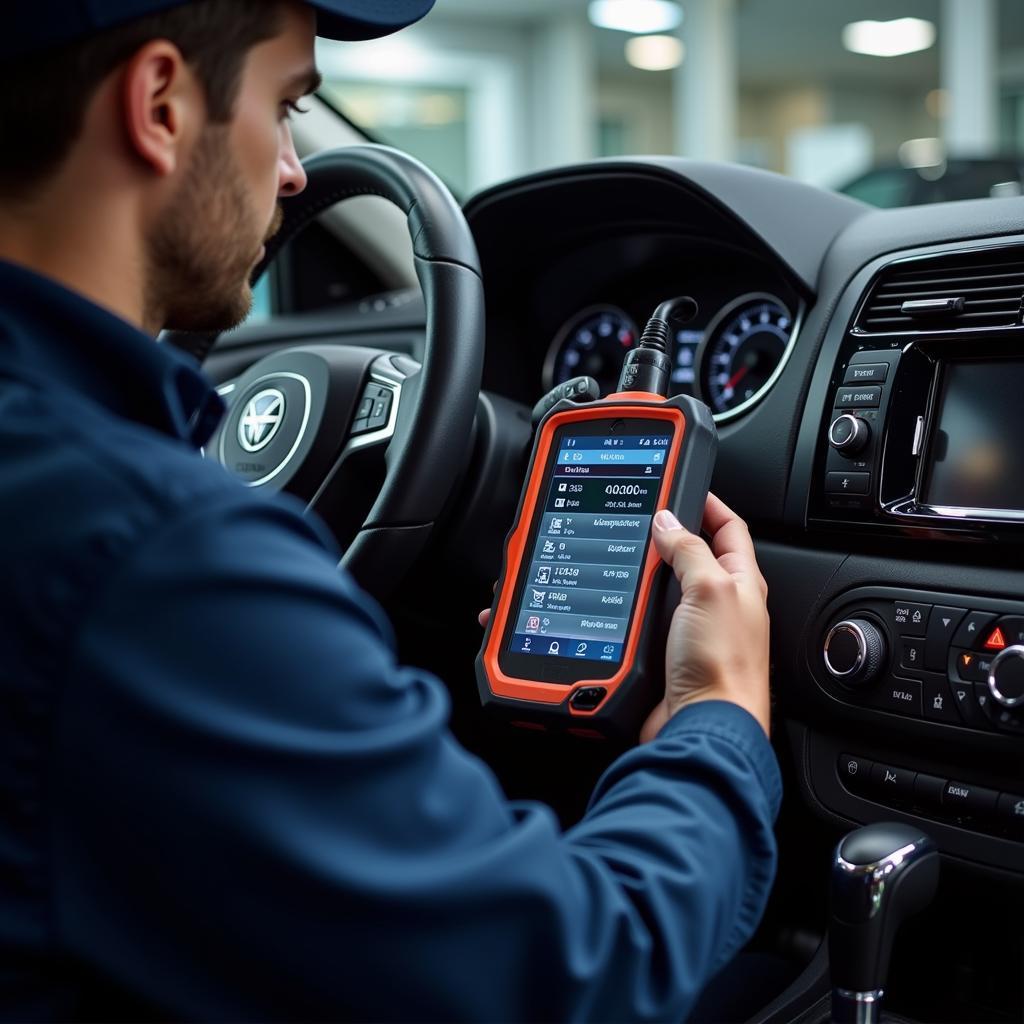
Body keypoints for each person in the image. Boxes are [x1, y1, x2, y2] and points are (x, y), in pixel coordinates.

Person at [0, 1, 780, 1019]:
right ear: (157, 105)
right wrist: (719, 714)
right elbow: (579, 971)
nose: (291, 172)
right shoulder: (150, 558)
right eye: (285, 109)